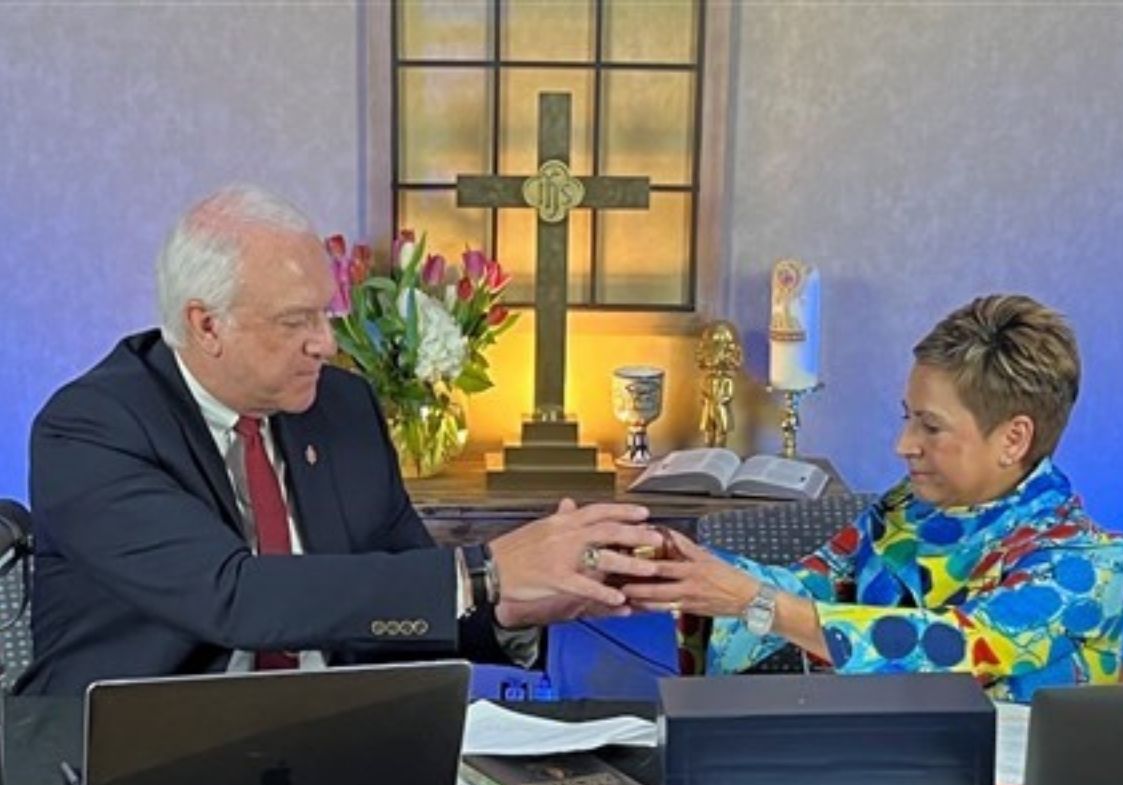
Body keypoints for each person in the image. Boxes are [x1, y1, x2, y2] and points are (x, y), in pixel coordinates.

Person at [16, 184, 665, 696]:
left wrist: (509, 611)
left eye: (325, 314)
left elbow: (399, 601)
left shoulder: (342, 407)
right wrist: (484, 572)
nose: (325, 344)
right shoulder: (90, 429)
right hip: (141, 750)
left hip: (333, 737)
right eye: (296, 321)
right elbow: (233, 596)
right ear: (207, 325)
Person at [626, 294, 1123, 702]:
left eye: (930, 426)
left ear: (1013, 439)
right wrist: (678, 567)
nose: (903, 445)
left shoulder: (1087, 565)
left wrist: (754, 601)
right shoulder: (905, 511)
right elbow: (809, 586)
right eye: (907, 417)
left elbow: (954, 647)